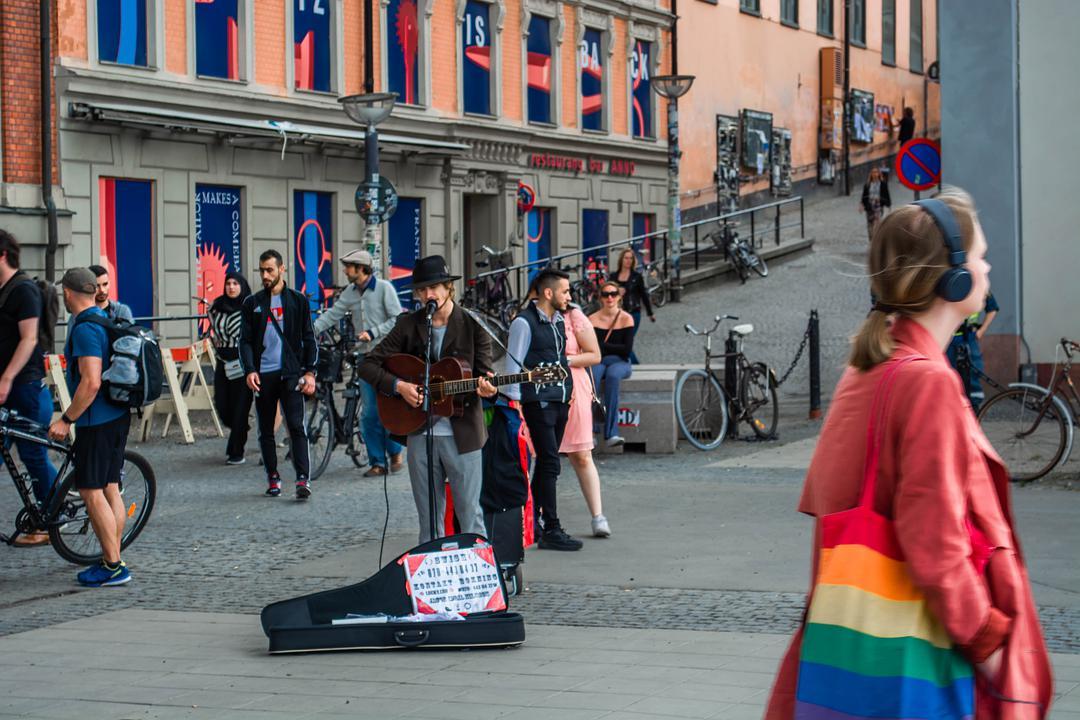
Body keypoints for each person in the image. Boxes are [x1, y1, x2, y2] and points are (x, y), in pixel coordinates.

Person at [765, 189, 1052, 719]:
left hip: (854, 636)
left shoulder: (872, 364)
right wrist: (987, 641)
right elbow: (936, 539)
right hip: (917, 648)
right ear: (954, 277)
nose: (988, 268)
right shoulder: (927, 382)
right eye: (980, 256)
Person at [358, 255, 497, 542]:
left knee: (470, 514)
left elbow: (486, 374)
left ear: (448, 288)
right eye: (422, 290)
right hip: (420, 430)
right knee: (429, 520)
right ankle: (433, 582)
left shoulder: (472, 324)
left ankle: (479, 582)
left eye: (434, 287)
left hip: (463, 433)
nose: (427, 295)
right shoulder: (409, 325)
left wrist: (489, 387)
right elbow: (368, 364)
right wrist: (399, 387)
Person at [47, 268, 133, 586]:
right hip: (117, 415)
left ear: (68, 293)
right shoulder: (103, 318)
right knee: (110, 487)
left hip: (95, 421)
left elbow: (91, 381)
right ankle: (113, 555)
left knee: (90, 490)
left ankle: (113, 565)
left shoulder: (84, 328)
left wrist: (66, 418)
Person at [505, 268, 581, 551]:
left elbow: (560, 359)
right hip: (537, 403)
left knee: (548, 464)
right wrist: (516, 409)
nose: (569, 297)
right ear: (548, 293)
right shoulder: (523, 323)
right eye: (565, 291)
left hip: (560, 401)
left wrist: (569, 393)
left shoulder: (559, 320)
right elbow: (513, 369)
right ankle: (551, 526)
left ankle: (534, 522)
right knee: (550, 462)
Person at [313, 249, 404, 477]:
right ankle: (377, 462)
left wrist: (373, 333)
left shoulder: (384, 289)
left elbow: (397, 320)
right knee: (370, 412)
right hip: (365, 358)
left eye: (348, 266)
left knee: (389, 408)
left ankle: (394, 451)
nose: (345, 270)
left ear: (361, 269)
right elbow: (332, 315)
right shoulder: (350, 293)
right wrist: (309, 332)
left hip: (388, 357)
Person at [239, 250, 318, 500]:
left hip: (291, 373)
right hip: (264, 375)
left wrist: (310, 372)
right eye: (261, 270)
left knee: (296, 425)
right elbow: (245, 342)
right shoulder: (252, 303)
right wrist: (250, 370)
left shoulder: (297, 301)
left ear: (282, 269)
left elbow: (309, 337)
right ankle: (273, 476)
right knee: (265, 430)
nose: (265, 275)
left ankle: (302, 479)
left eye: (270, 270)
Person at [0, 230, 57, 546]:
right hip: (8, 387)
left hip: (25, 386)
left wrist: (6, 378)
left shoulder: (23, 291)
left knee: (33, 454)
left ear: (3, 255)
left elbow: (29, 339)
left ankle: (49, 520)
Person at [557, 298, 611, 538]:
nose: (567, 296)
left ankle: (598, 516)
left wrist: (563, 361)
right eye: (563, 290)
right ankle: (536, 517)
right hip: (540, 389)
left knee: (581, 454)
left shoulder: (574, 316)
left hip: (575, 387)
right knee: (538, 456)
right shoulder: (528, 318)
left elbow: (594, 355)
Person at [209, 271, 254, 464]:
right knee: (222, 405)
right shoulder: (216, 307)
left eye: (236, 283)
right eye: (228, 283)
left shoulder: (250, 307)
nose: (231, 287)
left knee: (240, 408)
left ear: (242, 286)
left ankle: (236, 451)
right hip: (223, 361)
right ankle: (240, 427)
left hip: (243, 363)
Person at [589, 281, 634, 447]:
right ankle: (591, 431)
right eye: (606, 294)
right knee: (592, 377)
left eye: (613, 294)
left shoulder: (626, 318)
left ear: (619, 297)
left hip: (620, 362)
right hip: (599, 360)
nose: (610, 297)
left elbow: (626, 351)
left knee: (613, 377)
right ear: (600, 298)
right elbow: (590, 348)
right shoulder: (592, 319)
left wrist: (603, 345)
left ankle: (612, 433)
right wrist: (606, 348)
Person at [947, 291, 999, 411]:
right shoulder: (952, 282)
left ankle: (974, 410)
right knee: (949, 374)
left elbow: (992, 308)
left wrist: (981, 331)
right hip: (949, 339)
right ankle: (953, 408)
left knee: (973, 373)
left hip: (968, 338)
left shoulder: (977, 284)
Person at [609, 247, 654, 364]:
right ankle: (634, 365)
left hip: (633, 313)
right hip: (617, 314)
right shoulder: (613, 277)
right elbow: (606, 294)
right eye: (626, 258)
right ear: (621, 260)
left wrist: (650, 313)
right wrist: (617, 291)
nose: (628, 261)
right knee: (621, 341)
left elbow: (643, 295)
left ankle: (635, 365)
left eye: (630, 258)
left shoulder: (636, 277)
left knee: (626, 341)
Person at [859, 166, 892, 242]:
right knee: (870, 225)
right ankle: (871, 240)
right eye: (873, 172)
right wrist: (861, 205)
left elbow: (887, 195)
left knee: (877, 225)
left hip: (878, 206)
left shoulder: (883, 184)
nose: (875, 174)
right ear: (871, 174)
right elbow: (864, 196)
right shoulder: (867, 185)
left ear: (879, 174)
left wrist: (889, 205)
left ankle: (876, 242)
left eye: (876, 172)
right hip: (869, 206)